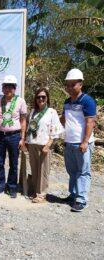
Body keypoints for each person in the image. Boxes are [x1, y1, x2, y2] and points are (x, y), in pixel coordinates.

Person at [60, 68, 96, 212]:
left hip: (82, 143)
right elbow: (63, 119)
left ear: (80, 84)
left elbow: (90, 122)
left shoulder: (87, 101)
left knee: (83, 171)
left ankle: (81, 199)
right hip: (69, 142)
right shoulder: (67, 102)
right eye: (68, 84)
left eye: (72, 84)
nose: (69, 87)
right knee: (72, 171)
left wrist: (85, 142)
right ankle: (73, 194)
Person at [25, 88, 63, 203]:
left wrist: (48, 145)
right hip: (32, 144)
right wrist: (27, 141)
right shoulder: (32, 112)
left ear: (47, 98)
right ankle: (36, 190)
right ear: (35, 99)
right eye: (38, 97)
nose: (40, 99)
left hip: (44, 145)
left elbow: (56, 131)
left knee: (43, 170)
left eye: (43, 97)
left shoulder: (52, 112)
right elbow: (29, 128)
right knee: (35, 169)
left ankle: (42, 194)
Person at [0, 75, 27, 198]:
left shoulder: (20, 101)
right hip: (0, 136)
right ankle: (0, 185)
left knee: (13, 163)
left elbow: (23, 120)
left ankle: (12, 187)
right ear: (2, 88)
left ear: (15, 89)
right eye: (6, 87)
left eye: (11, 87)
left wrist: (22, 138)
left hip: (14, 136)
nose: (8, 89)